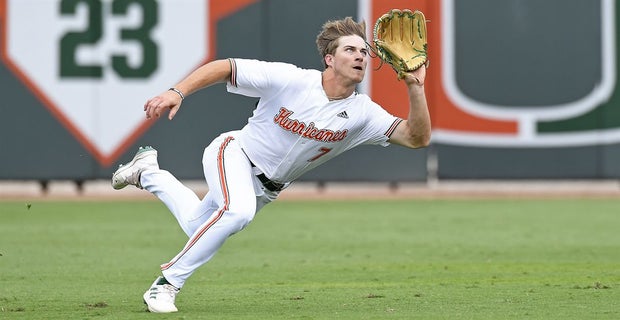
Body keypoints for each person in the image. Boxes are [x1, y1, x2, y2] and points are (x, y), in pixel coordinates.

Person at [111, 17, 430, 313]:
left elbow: (416, 138)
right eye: (350, 50)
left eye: (364, 51)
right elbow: (225, 67)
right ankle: (166, 284)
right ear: (330, 59)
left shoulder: (363, 113)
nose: (360, 56)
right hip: (233, 153)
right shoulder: (292, 80)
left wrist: (416, 87)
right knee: (237, 212)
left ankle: (147, 172)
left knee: (200, 228)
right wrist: (176, 91)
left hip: (268, 188)